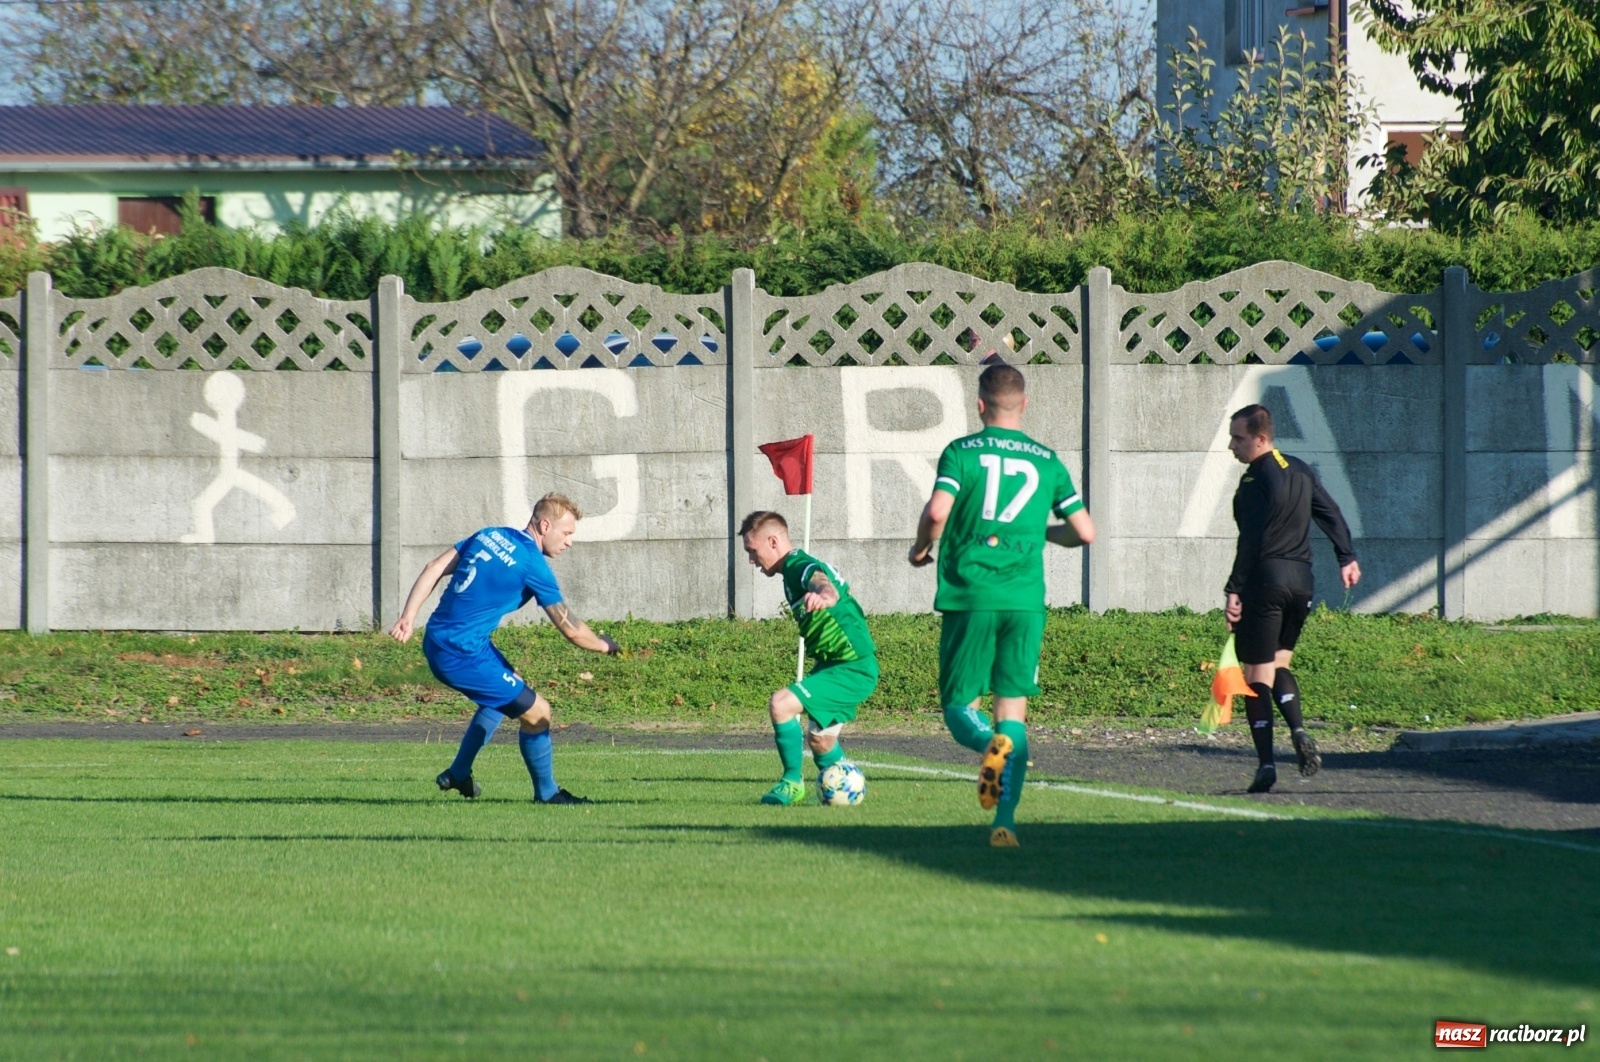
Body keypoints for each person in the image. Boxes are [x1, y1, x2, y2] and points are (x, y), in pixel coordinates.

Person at [908, 363, 1096, 847]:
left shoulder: (961, 452)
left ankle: (989, 746)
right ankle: (1004, 825)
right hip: (1025, 601)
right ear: (1025, 404)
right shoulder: (1047, 460)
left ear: (980, 404)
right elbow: (1085, 532)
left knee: (957, 709)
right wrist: (1042, 534)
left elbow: (937, 512)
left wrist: (922, 547)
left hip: (972, 595)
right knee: (1012, 708)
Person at [387, 492, 622, 805]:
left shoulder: (490, 534)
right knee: (539, 712)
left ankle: (459, 772)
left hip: (441, 638)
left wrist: (408, 617)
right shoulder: (533, 566)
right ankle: (548, 794)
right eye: (566, 533)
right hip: (461, 653)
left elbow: (434, 566)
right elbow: (572, 630)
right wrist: (605, 646)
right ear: (545, 525)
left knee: (512, 687)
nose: (569, 542)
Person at [1223, 404, 1360, 793]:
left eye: (1238, 438)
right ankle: (1299, 731)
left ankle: (1266, 763)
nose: (1232, 446)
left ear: (1261, 439)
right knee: (1280, 663)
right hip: (1302, 583)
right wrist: (1346, 556)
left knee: (1254, 677)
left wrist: (1234, 589)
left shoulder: (1255, 479)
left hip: (1266, 580)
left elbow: (1250, 539)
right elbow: (1329, 511)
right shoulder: (1299, 468)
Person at [740, 511, 878, 805]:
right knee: (820, 740)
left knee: (781, 704)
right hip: (834, 665)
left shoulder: (796, 565)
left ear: (773, 541)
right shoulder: (794, 567)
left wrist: (826, 595)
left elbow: (820, 581)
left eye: (752, 551)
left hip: (852, 667)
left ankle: (791, 782)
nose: (751, 560)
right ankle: (844, 788)